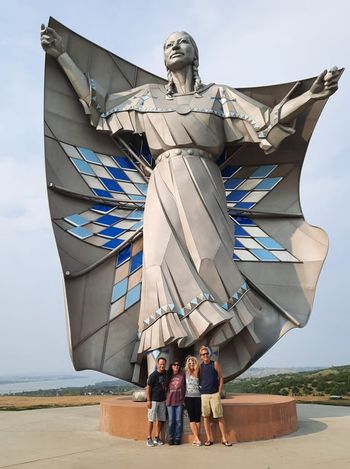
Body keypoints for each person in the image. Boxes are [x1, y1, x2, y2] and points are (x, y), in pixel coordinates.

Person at [41, 27, 341, 377]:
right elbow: (101, 106)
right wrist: (63, 56)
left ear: (194, 54)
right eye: (168, 43)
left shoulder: (218, 97)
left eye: (182, 41)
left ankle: (207, 377)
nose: (174, 47)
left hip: (205, 182)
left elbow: (266, 122)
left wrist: (311, 97)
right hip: (163, 182)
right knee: (156, 268)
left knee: (208, 263)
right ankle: (158, 378)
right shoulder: (148, 99)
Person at [199, 345, 231, 446]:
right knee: (206, 417)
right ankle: (209, 438)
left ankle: (224, 438)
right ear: (200, 356)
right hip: (204, 394)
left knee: (219, 416)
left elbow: (221, 377)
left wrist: (220, 390)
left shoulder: (214, 364)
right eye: (203, 354)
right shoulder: (200, 366)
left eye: (206, 353)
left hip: (214, 394)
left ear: (209, 354)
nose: (205, 356)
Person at [145, 356, 167, 447]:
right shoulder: (153, 375)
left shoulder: (166, 373)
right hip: (153, 400)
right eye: (161, 364)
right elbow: (148, 388)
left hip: (162, 400)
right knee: (151, 419)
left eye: (163, 364)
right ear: (158, 364)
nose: (162, 366)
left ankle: (157, 437)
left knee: (161, 419)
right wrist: (148, 400)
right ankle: (149, 438)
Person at [165, 360, 186, 445]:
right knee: (171, 421)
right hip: (170, 401)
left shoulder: (182, 375)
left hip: (179, 401)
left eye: (177, 365)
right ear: (171, 366)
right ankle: (170, 438)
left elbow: (186, 386)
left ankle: (177, 438)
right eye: (174, 365)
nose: (176, 366)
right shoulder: (168, 375)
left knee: (178, 421)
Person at [184, 356, 202, 446]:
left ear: (195, 363)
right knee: (192, 419)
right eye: (189, 363)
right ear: (187, 364)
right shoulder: (185, 373)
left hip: (198, 397)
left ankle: (196, 438)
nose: (191, 364)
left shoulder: (198, 372)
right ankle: (197, 438)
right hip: (188, 397)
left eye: (193, 363)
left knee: (197, 419)